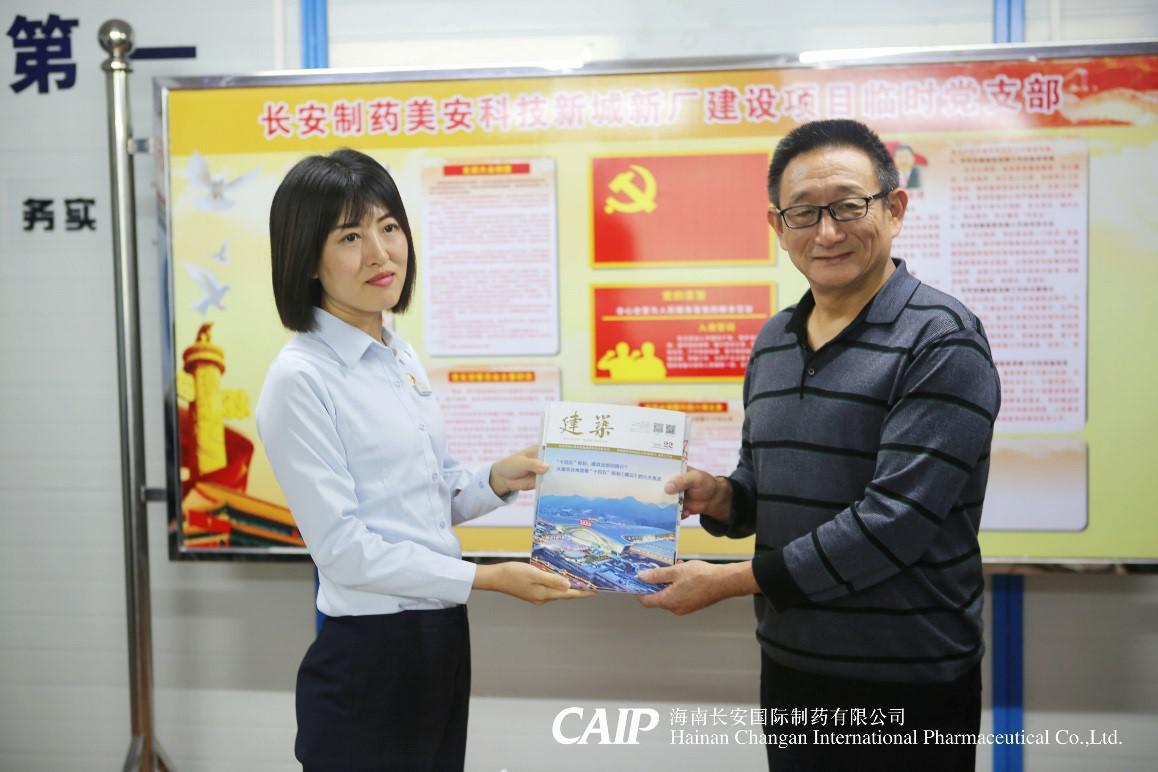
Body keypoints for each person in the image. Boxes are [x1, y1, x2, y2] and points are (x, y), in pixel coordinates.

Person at [639, 119, 1000, 771]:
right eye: (803, 212)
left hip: (908, 678)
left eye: (847, 206)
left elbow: (894, 524)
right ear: (778, 227)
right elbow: (762, 488)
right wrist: (719, 497)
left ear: (894, 209)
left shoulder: (942, 339)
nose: (826, 232)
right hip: (791, 663)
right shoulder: (774, 340)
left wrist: (729, 582)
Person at [255, 148, 592, 771]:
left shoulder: (396, 353)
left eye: (388, 227)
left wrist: (495, 479)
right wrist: (485, 578)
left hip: (439, 636)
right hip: (369, 651)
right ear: (305, 259)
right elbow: (344, 550)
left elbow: (420, 498)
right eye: (350, 236)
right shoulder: (300, 378)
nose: (380, 253)